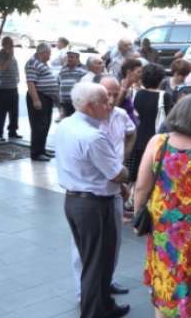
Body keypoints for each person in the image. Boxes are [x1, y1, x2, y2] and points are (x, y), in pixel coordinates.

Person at [133, 95, 191, 318]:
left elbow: (141, 186)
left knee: (167, 273)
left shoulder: (158, 142)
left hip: (166, 224)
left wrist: (139, 214)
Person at [55, 82, 130, 318]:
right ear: (89, 106)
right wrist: (125, 175)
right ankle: (93, 312)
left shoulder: (68, 124)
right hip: (93, 204)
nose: (109, 105)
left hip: (78, 200)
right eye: (104, 101)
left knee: (100, 259)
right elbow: (117, 173)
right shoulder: (93, 136)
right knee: (96, 263)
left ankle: (104, 305)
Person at [70, 76, 135, 302]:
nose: (111, 98)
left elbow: (131, 132)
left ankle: (103, 286)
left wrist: (123, 159)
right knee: (87, 250)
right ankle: (86, 293)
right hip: (92, 195)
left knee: (111, 243)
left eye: (115, 93)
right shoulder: (87, 129)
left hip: (111, 190)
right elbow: (112, 171)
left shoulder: (119, 115)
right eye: (106, 94)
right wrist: (120, 174)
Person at [128, 64, 172, 182]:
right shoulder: (165, 96)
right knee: (154, 178)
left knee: (137, 178)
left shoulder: (138, 94)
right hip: (157, 141)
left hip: (138, 141)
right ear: (160, 79)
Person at [25, 43, 59, 161]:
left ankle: (42, 150)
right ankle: (36, 153)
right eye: (49, 53)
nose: (50, 56)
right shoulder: (32, 63)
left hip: (46, 97)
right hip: (39, 97)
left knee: (45, 125)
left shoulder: (42, 63)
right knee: (38, 126)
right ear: (43, 52)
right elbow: (30, 83)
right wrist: (36, 100)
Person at [0, 36, 21, 141]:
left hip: (13, 87)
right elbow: (2, 68)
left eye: (12, 44)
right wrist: (9, 56)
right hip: (2, 88)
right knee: (1, 112)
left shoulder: (12, 55)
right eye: (9, 44)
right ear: (4, 44)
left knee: (14, 111)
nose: (11, 46)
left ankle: (13, 131)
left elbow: (15, 68)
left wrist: (17, 78)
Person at [57, 50, 87, 117]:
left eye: (71, 57)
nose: (69, 59)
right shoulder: (63, 69)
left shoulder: (83, 69)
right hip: (64, 103)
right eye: (68, 57)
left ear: (77, 58)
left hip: (77, 103)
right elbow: (58, 84)